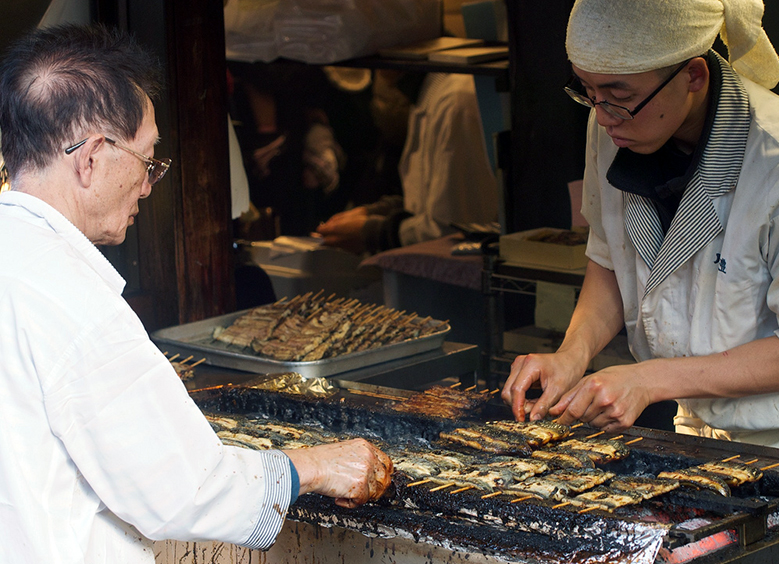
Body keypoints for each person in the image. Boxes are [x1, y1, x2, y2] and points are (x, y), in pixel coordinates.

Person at [0, 24, 391, 564]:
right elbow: (180, 487)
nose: (147, 185)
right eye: (147, 161)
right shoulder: (74, 301)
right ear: (90, 158)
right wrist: (315, 466)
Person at [502, 0, 779, 450]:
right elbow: (609, 256)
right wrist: (572, 354)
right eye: (586, 90)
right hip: (697, 428)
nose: (602, 115)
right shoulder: (610, 123)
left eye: (620, 97)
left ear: (693, 76)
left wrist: (650, 379)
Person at [315, 69, 498, 254]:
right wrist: (384, 211)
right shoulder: (428, 91)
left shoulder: (457, 99)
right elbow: (434, 197)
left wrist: (375, 233)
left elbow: (456, 228)